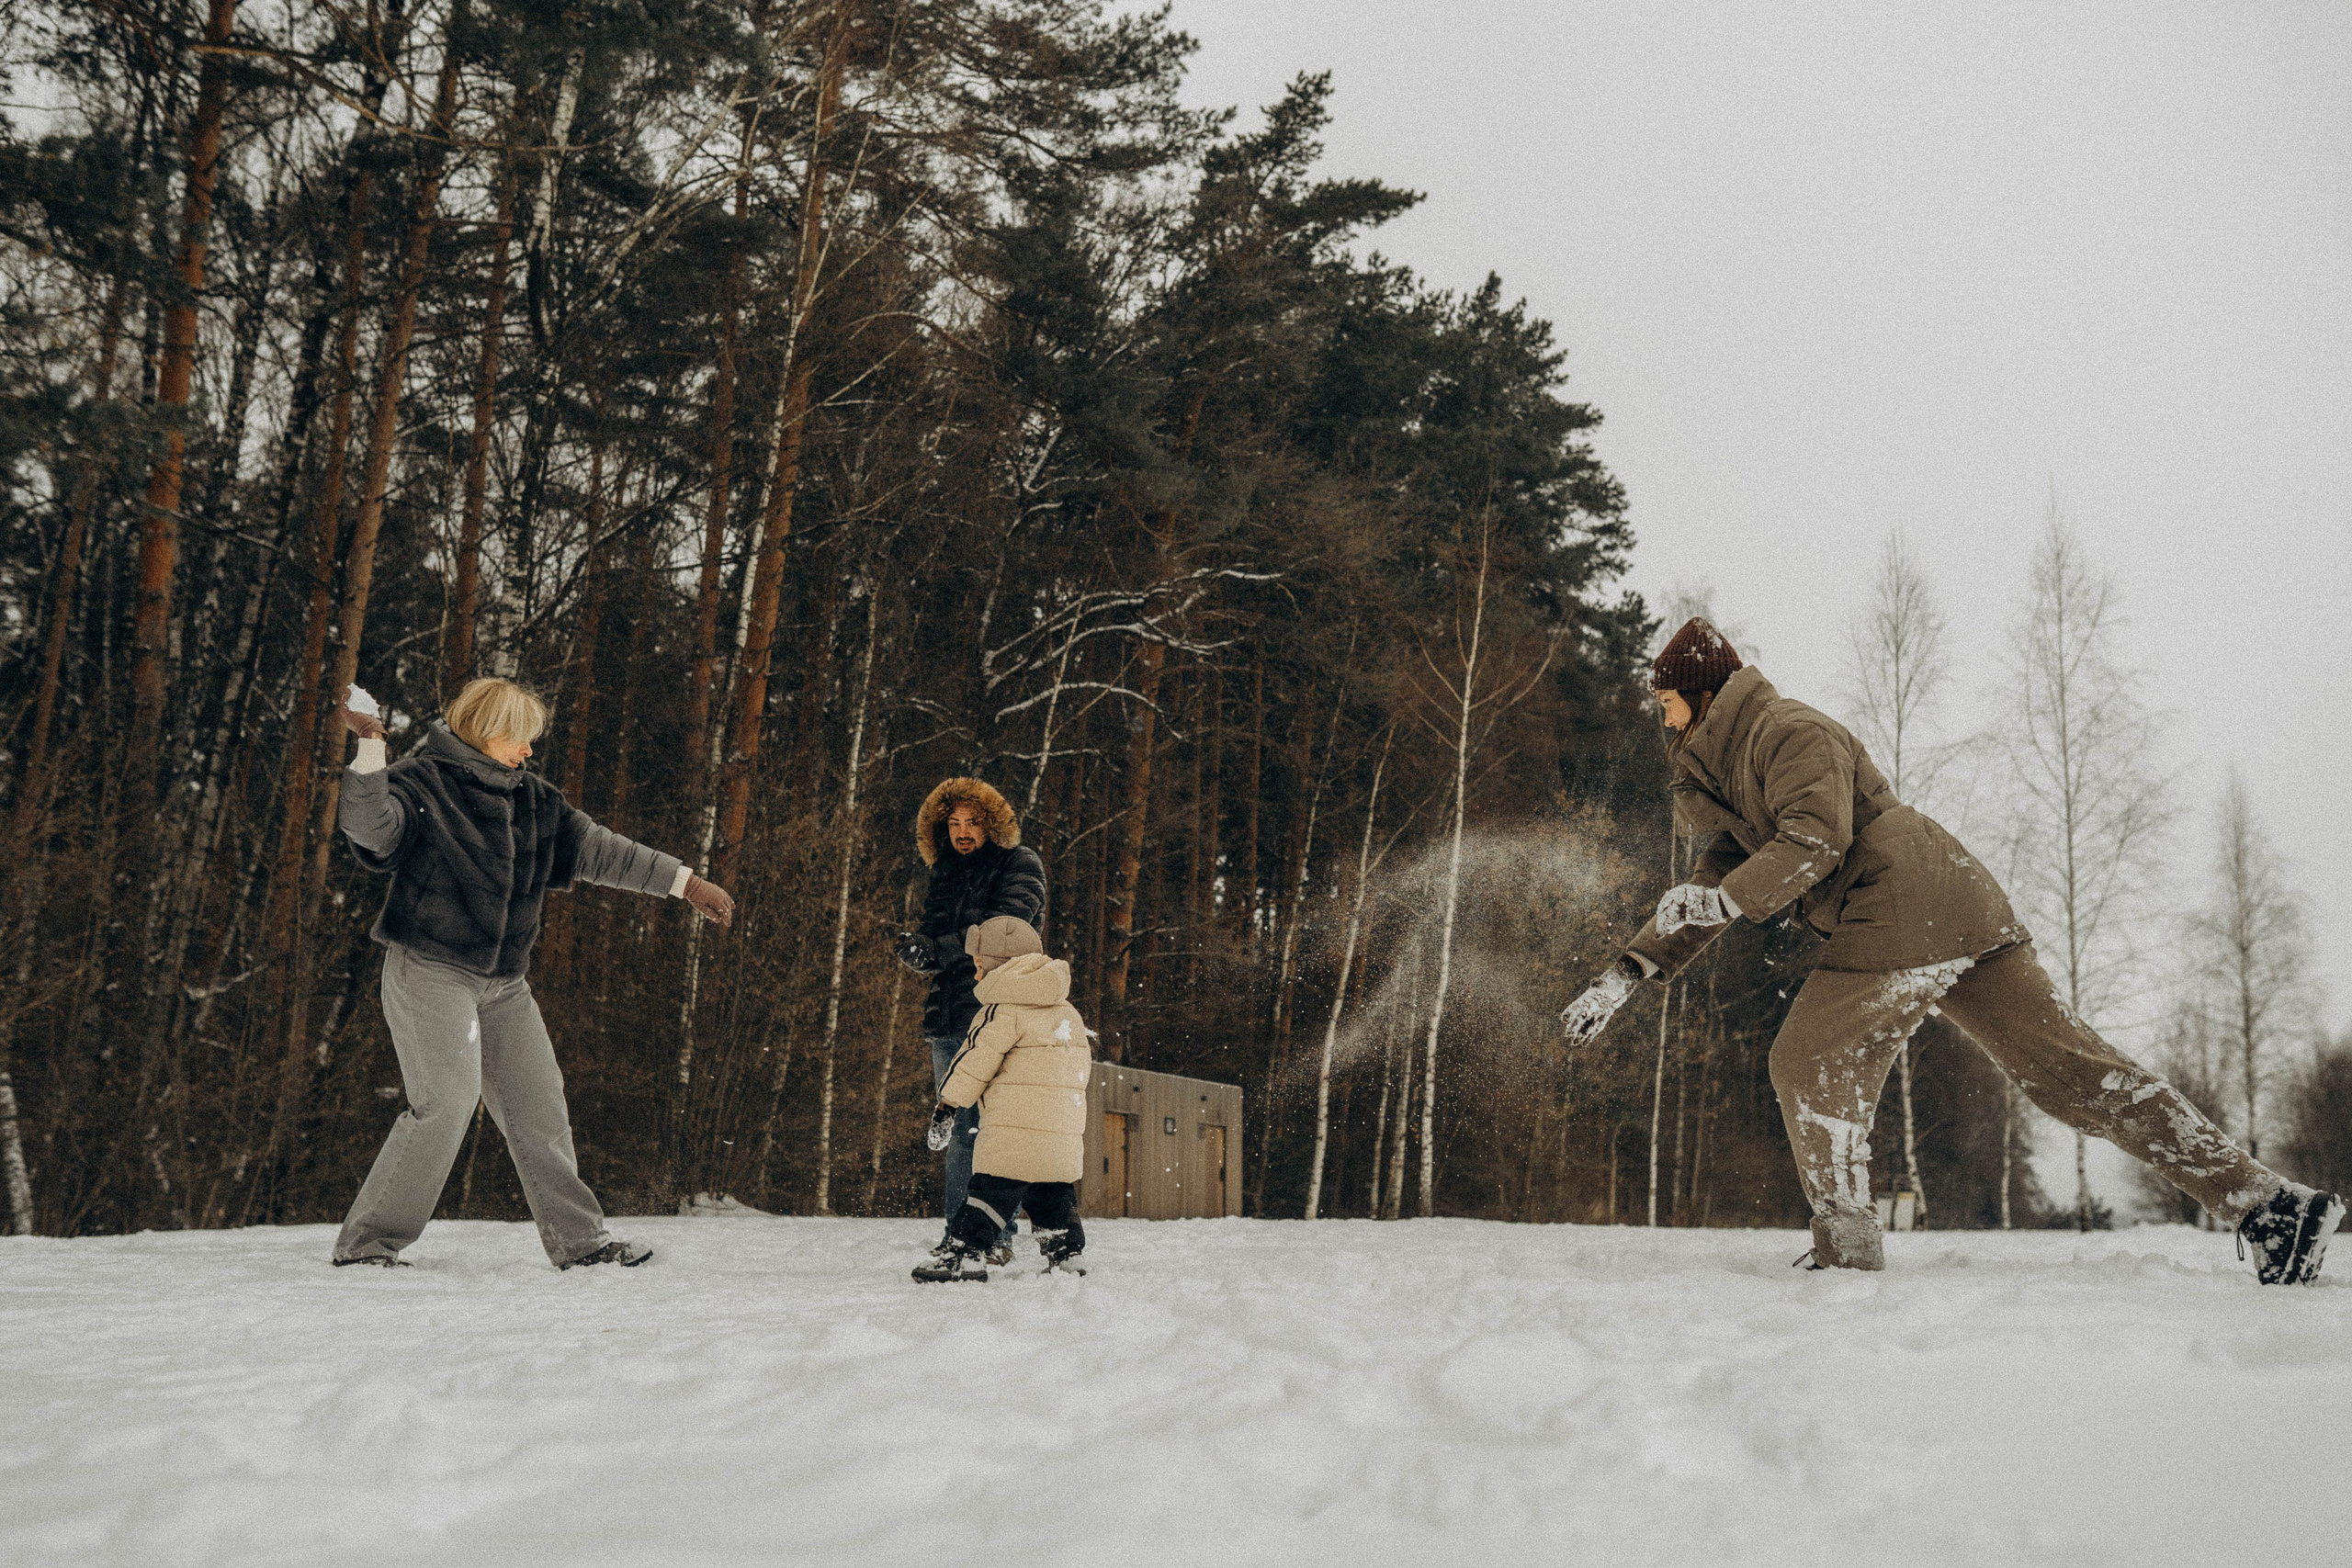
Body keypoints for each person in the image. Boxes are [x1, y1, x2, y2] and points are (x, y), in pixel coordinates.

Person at [1560, 618, 2342, 1282]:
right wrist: (1629, 970)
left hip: (1898, 895)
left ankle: (1847, 1255)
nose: (1663, 723)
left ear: (1701, 694)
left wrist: (1728, 899)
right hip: (1956, 899)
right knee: (2073, 1074)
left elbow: (1815, 838)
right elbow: (1715, 879)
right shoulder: (1737, 777)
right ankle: (2274, 1208)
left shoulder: (1785, 731)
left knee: (1805, 1059)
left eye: (1666, 705)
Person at [330, 677, 736, 1269]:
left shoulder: (536, 802)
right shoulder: (423, 784)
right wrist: (370, 746)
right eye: (518, 739)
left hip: (504, 984)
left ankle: (581, 1243)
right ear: (483, 732)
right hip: (431, 971)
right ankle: (368, 1245)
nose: (527, 751)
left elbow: (603, 851)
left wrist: (686, 883)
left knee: (539, 1105)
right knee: (446, 1101)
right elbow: (370, 828)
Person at [895, 777, 1046, 1262]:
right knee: (960, 1126)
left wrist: (939, 947)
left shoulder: (1019, 865)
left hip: (1000, 1011)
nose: (962, 832)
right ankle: (960, 1233)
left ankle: (993, 1237)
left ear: (993, 824)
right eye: (953, 823)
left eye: (973, 822)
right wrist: (921, 951)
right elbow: (940, 939)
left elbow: (1004, 933)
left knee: (992, 1127)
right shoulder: (945, 872)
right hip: (950, 1015)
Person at [914, 917, 1091, 1282]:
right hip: (1062, 1130)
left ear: (1001, 966)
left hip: (1012, 1128)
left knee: (990, 1191)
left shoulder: (1002, 1009)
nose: (977, 977)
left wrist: (947, 1105)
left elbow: (973, 1061)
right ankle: (1065, 1255)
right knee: (1051, 1192)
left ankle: (964, 1254)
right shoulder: (1067, 1012)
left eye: (980, 967)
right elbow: (1079, 1069)